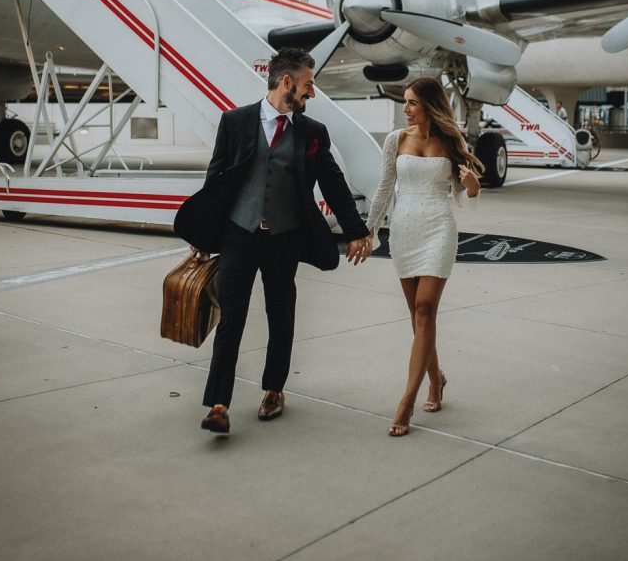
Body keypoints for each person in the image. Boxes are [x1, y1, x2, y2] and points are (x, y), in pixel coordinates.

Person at [173, 47, 372, 436]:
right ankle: (218, 403)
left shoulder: (312, 132)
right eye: (308, 84)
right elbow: (215, 183)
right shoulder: (235, 122)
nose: (311, 93)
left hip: (285, 238)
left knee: (281, 318)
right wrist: (201, 236)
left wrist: (355, 231)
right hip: (238, 236)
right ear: (287, 82)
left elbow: (332, 182)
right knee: (231, 319)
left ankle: (274, 390)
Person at [367, 77, 482, 437]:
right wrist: (368, 230)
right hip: (404, 230)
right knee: (418, 319)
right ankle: (437, 378)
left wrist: (472, 186)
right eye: (405, 102)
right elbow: (385, 187)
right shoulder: (395, 140)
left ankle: (406, 403)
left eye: (412, 103)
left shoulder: (452, 141)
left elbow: (465, 193)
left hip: (438, 228)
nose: (406, 109)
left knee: (425, 309)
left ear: (430, 105)